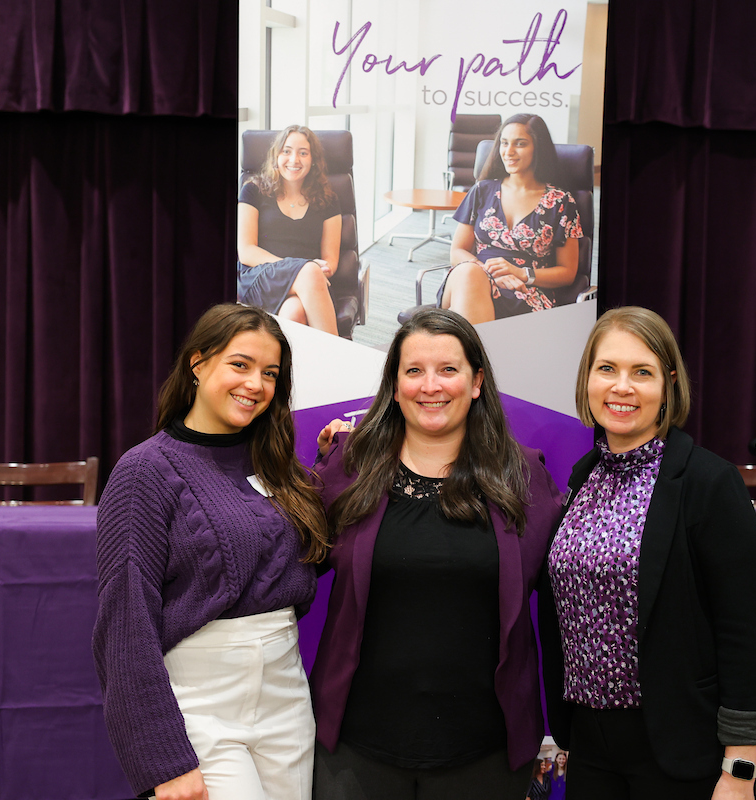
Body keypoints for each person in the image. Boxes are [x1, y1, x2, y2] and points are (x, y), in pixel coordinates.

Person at [309, 308, 564, 800]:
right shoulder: (348, 466)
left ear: (476, 382)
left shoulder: (525, 478)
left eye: (448, 369)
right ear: (395, 383)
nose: (431, 385)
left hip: (485, 755)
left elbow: (563, 607)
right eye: (414, 371)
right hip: (355, 753)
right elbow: (286, 573)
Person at [539, 306, 756, 799]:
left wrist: (740, 771)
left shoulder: (708, 482)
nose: (622, 387)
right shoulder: (582, 476)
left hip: (681, 751)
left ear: (668, 385)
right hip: (588, 749)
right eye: (606, 368)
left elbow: (746, 634)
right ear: (587, 378)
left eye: (642, 372)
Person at [92, 304, 329, 800]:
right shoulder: (144, 471)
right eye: (240, 365)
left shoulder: (279, 466)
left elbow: (311, 557)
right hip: (197, 702)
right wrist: (161, 760)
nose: (255, 385)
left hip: (286, 693)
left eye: (270, 374)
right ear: (198, 364)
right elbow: (124, 620)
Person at [440, 113, 583, 324]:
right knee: (469, 274)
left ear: (538, 148)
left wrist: (521, 273)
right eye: (504, 143)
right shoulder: (481, 190)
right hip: (473, 279)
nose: (509, 152)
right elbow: (457, 251)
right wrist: (490, 273)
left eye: (520, 144)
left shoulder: (561, 201)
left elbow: (567, 273)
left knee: (466, 302)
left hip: (526, 290)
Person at [237, 124, 342, 335]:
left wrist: (318, 270)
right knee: (310, 271)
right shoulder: (253, 190)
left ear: (313, 161)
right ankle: (339, 362)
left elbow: (331, 260)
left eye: (303, 153)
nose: (294, 160)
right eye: (286, 151)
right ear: (276, 156)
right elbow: (246, 251)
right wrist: (299, 268)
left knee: (293, 314)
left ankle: (285, 367)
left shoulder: (328, 200)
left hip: (307, 286)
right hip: (260, 276)